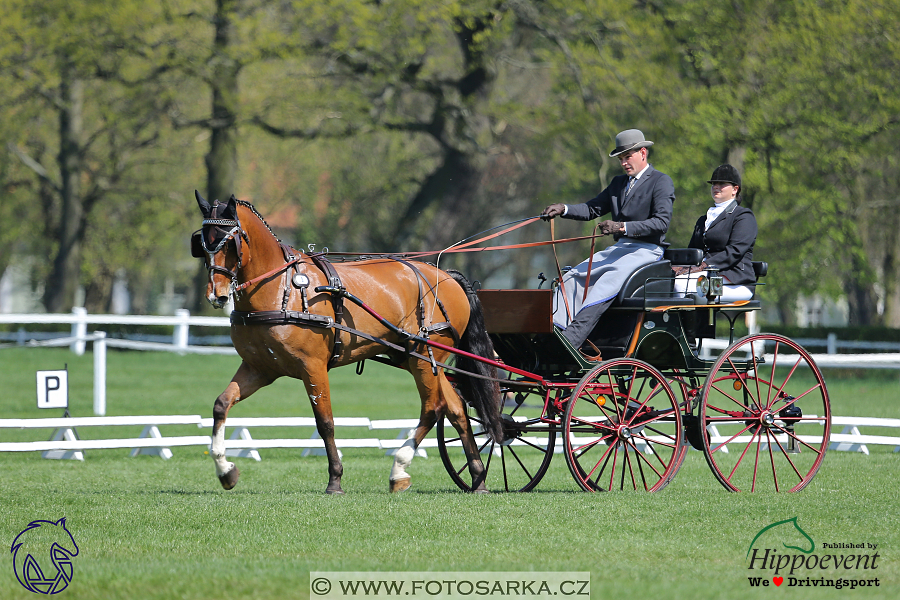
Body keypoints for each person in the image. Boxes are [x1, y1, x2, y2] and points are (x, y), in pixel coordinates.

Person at [541, 129, 675, 357]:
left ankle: (572, 340)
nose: (623, 163)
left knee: (607, 281)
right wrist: (564, 209)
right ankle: (554, 332)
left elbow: (661, 223)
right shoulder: (618, 184)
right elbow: (592, 208)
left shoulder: (661, 182)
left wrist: (622, 227)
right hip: (620, 249)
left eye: (627, 156)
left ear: (643, 152)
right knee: (572, 277)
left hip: (647, 251)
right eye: (621, 158)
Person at [673, 164, 757, 302]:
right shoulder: (704, 219)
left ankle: (691, 323)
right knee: (666, 280)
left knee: (681, 284)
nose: (716, 187)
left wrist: (704, 265)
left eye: (721, 184)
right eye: (713, 184)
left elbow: (735, 251)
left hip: (734, 278)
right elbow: (693, 250)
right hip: (706, 274)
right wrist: (680, 266)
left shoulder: (743, 216)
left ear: (735, 189)